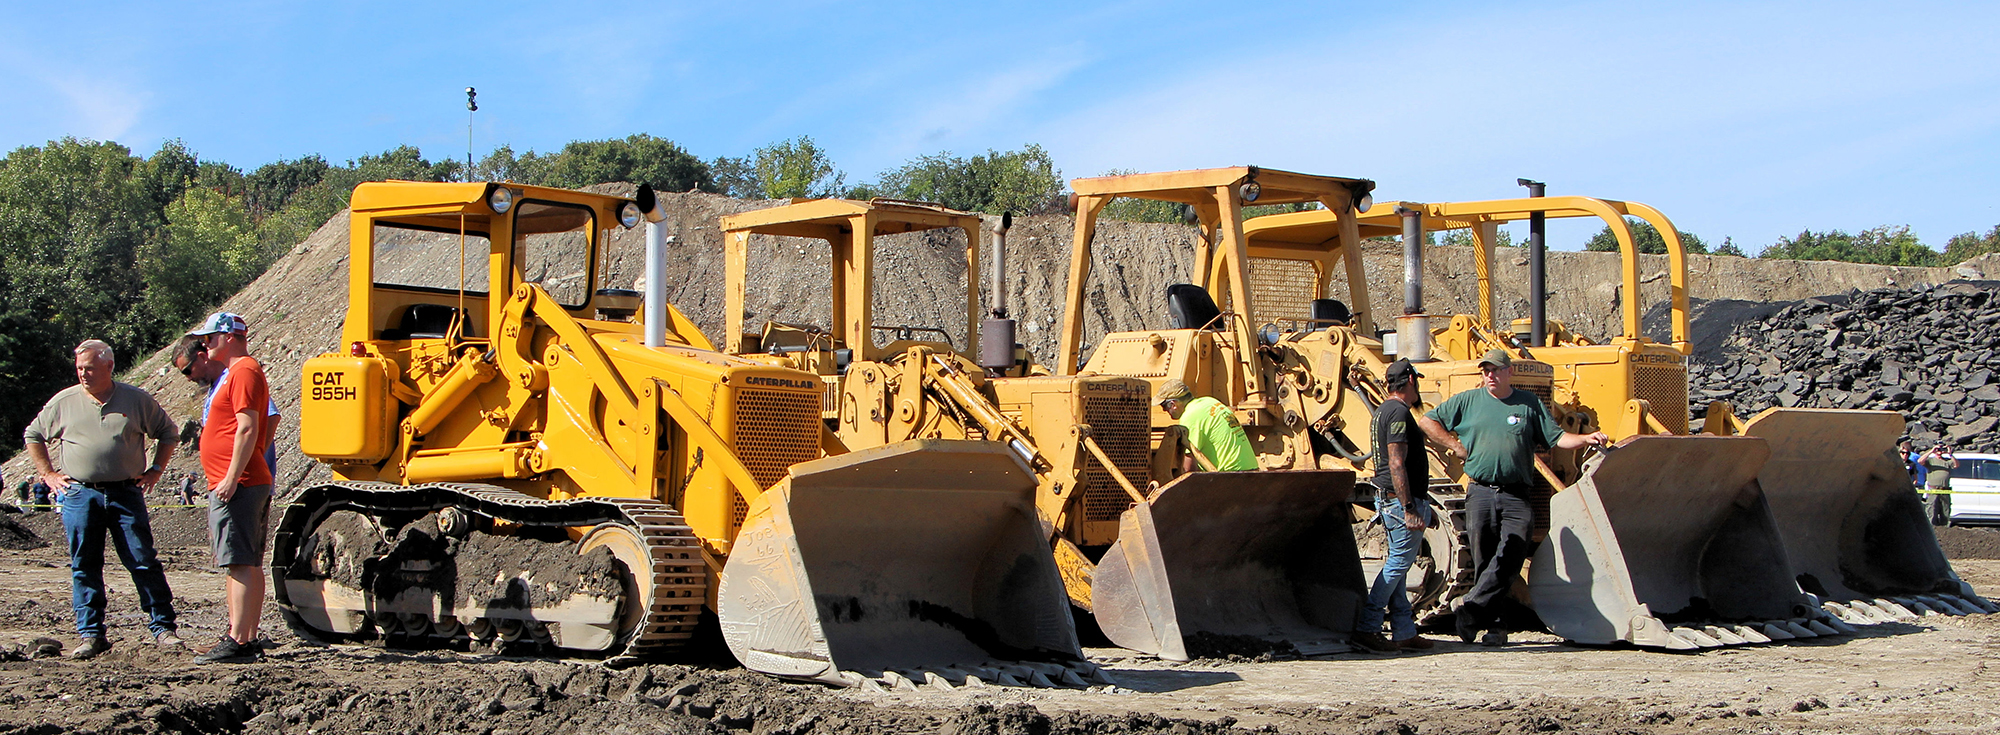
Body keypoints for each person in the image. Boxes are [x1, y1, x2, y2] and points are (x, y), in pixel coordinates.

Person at [1420, 349, 1608, 646]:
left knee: (1512, 551)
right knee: (1485, 559)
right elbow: (1427, 421)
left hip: (1516, 493)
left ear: (1509, 372)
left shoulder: (1528, 403)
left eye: (1495, 370)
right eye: (1485, 371)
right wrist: (1454, 445)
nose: (1490, 376)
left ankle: (1469, 609)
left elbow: (1557, 438)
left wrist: (1585, 439)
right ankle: (1493, 625)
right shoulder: (1468, 401)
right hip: (1480, 491)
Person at [22, 339, 182, 659]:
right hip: (80, 493)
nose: (84, 374)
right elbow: (33, 435)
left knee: (142, 559)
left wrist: (155, 470)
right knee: (85, 564)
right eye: (80, 368)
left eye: (90, 368)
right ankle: (91, 634)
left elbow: (168, 432)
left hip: (126, 492)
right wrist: (48, 474)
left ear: (109, 366)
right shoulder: (64, 401)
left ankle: (163, 628)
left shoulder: (136, 400)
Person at [188, 313, 274, 664]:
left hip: (238, 483)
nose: (205, 346)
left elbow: (248, 426)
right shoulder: (237, 372)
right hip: (242, 479)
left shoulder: (242, 371)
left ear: (227, 337)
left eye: (209, 339)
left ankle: (238, 639)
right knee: (247, 562)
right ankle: (244, 636)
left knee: (238, 562)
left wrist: (231, 475)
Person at [1354, 359, 1436, 654]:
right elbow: (1396, 462)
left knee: (1399, 570)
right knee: (1397, 565)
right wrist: (1410, 507)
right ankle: (1368, 627)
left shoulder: (1382, 412)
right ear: (1411, 380)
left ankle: (1403, 631)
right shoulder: (1399, 412)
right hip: (1399, 502)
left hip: (1389, 499)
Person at [171, 335, 281, 481]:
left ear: (202, 357)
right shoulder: (217, 386)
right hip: (229, 482)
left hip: (244, 481)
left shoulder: (236, 377)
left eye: (187, 370)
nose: (188, 378)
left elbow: (271, 417)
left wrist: (250, 464)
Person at [1154, 379, 1259, 472]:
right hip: (1251, 469)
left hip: (1230, 474)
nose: (1164, 411)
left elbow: (1189, 468)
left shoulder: (1190, 415)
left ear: (1173, 404)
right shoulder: (1209, 401)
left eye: (1164, 406)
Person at [1922, 443, 1958, 526]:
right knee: (1932, 510)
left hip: (1944, 490)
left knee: (1945, 511)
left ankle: (1945, 528)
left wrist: (1950, 454)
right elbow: (1920, 461)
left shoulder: (1947, 461)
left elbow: (1956, 465)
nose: (1939, 451)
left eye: (1941, 450)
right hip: (1933, 490)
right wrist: (1931, 451)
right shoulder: (1931, 461)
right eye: (1938, 450)